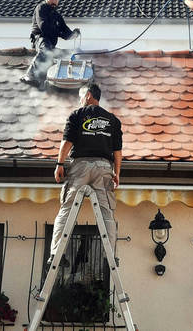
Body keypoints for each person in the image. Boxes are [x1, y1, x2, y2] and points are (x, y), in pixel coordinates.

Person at [48, 83, 123, 267]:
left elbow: (67, 142)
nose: (80, 100)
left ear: (88, 95)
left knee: (67, 210)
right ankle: (110, 255)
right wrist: (117, 173)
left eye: (81, 96)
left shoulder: (77, 114)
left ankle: (56, 254)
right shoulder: (113, 120)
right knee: (107, 213)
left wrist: (59, 164)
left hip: (79, 166)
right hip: (104, 168)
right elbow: (117, 151)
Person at [20, 0, 80, 89]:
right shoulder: (41, 8)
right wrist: (60, 32)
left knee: (68, 53)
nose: (54, 1)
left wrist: (74, 34)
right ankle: (29, 75)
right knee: (46, 48)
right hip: (40, 39)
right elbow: (44, 27)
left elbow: (66, 33)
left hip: (51, 46)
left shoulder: (57, 16)